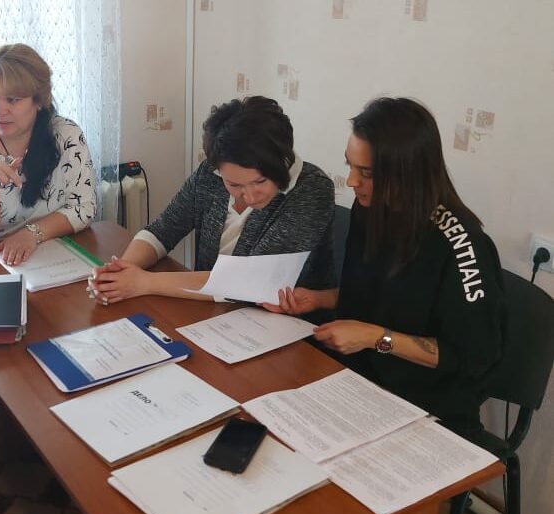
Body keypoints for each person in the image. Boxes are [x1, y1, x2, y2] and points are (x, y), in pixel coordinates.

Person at [264, 97, 507, 434]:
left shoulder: (462, 246)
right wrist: (318, 299)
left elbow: (469, 358)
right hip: (360, 379)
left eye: (366, 173)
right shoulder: (373, 208)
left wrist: (375, 337)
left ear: (408, 173)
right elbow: (380, 295)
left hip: (427, 403)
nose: (351, 182)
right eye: (349, 165)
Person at [89, 96, 335, 304]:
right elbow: (163, 230)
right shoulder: (210, 173)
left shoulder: (311, 189)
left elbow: (246, 282)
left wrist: (144, 282)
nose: (248, 196)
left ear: (283, 160)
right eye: (234, 185)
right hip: (213, 316)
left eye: (260, 182)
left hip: (282, 330)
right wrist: (120, 272)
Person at [0, 43, 96, 265]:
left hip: (44, 252)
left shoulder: (66, 135)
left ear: (39, 100)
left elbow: (84, 207)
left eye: (12, 100)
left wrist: (32, 233)